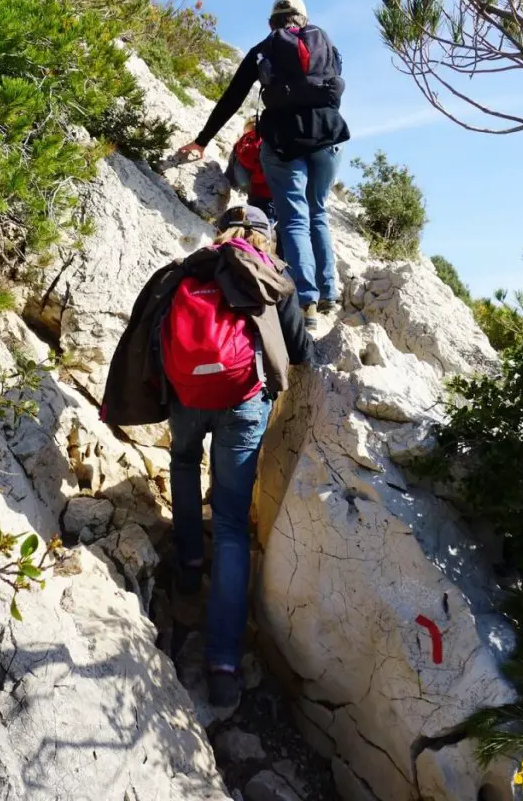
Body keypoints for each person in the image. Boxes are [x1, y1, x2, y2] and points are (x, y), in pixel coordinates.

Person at [101, 205, 311, 708]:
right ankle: (221, 662)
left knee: (182, 463)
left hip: (187, 398)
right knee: (235, 526)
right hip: (243, 402)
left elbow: (152, 333)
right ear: (265, 236)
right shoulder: (270, 272)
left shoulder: (189, 268)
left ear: (223, 231)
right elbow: (300, 351)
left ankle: (189, 562)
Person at [178, 0, 350, 330]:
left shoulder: (264, 48)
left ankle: (306, 302)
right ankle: (329, 291)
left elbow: (233, 98)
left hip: (284, 140)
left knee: (294, 219)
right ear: (303, 19)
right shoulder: (325, 42)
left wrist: (202, 140)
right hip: (329, 136)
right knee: (318, 212)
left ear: (273, 22)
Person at [225, 119, 283, 259]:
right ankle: (265, 254)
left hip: (261, 193)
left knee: (259, 225)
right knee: (267, 224)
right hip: (279, 194)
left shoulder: (252, 140)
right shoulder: (277, 141)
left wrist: (253, 181)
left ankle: (255, 255)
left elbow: (254, 165)